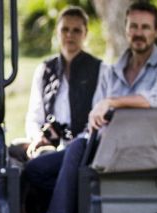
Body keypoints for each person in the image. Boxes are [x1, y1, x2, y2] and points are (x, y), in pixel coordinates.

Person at [21, 1, 157, 213]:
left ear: (156, 32)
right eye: (133, 26)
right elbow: (96, 112)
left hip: (141, 145)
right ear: (126, 29)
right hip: (104, 143)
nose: (139, 33)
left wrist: (112, 103)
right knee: (36, 169)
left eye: (145, 27)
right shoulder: (115, 69)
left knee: (77, 149)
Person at [16, 6, 101, 161]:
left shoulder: (99, 69)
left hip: (82, 145)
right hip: (48, 144)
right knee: (12, 151)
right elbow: (34, 116)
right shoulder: (45, 69)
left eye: (76, 30)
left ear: (85, 34)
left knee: (37, 167)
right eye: (65, 29)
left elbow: (99, 119)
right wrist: (38, 137)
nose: (70, 35)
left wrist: (77, 141)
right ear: (57, 32)